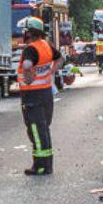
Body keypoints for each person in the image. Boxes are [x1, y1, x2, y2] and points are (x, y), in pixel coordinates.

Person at [18, 17, 63, 175]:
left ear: (29, 33)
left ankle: (40, 166)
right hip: (46, 93)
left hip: (32, 96)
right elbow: (60, 59)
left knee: (36, 130)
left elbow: (27, 65)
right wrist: (51, 71)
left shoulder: (30, 49)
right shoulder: (46, 45)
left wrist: (28, 78)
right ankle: (47, 164)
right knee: (43, 129)